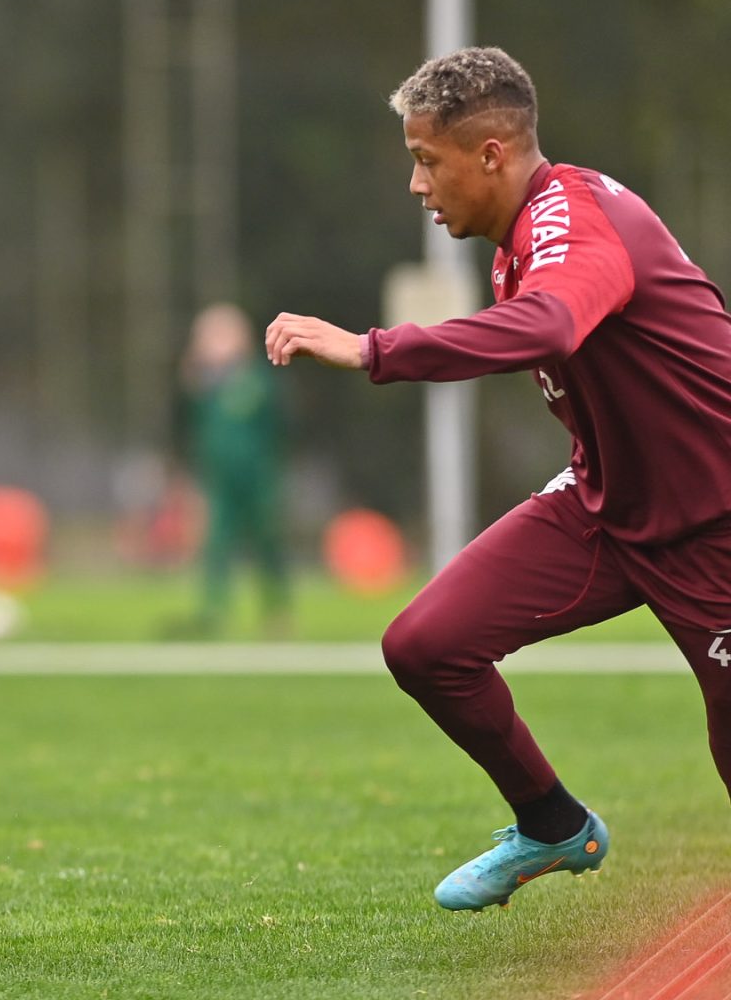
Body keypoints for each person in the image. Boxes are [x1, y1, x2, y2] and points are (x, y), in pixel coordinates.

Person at [267, 47, 731, 910]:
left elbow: (551, 325)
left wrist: (375, 347)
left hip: (715, 520)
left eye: (424, 159)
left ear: (490, 154)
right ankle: (553, 825)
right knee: (426, 645)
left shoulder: (572, 215)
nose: (416, 186)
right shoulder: (516, 239)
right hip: (608, 507)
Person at [178, 303, 291, 638]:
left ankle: (277, 611)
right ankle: (215, 611)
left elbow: (276, 427)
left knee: (267, 544)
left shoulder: (257, 377)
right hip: (218, 480)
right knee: (216, 544)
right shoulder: (204, 384)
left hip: (257, 479)